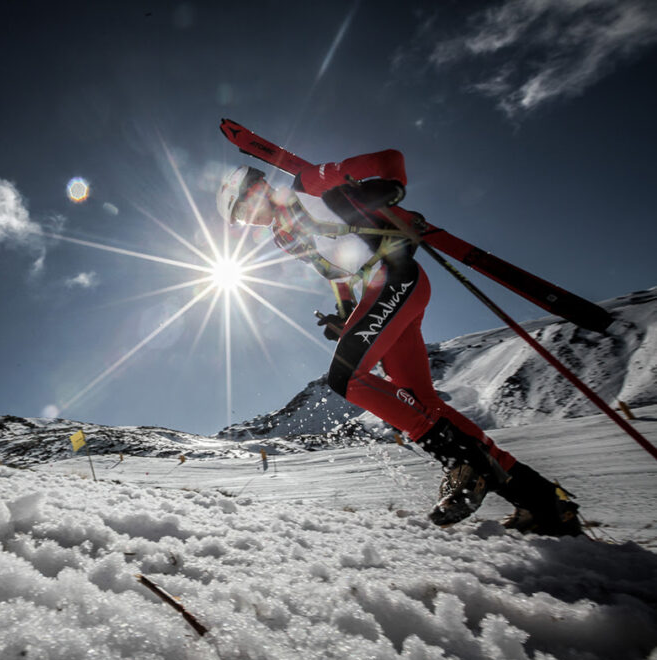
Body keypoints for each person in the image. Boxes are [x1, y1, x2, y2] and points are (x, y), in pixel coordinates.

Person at [217, 155, 581, 537]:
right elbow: (338, 274)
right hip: (383, 289)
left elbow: (389, 159)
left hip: (396, 278)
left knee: (346, 378)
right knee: (423, 402)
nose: (247, 222)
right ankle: (544, 504)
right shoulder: (284, 236)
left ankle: (462, 462)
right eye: (240, 221)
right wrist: (343, 315)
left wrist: (393, 185)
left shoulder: (306, 185)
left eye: (242, 212)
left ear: (255, 189)